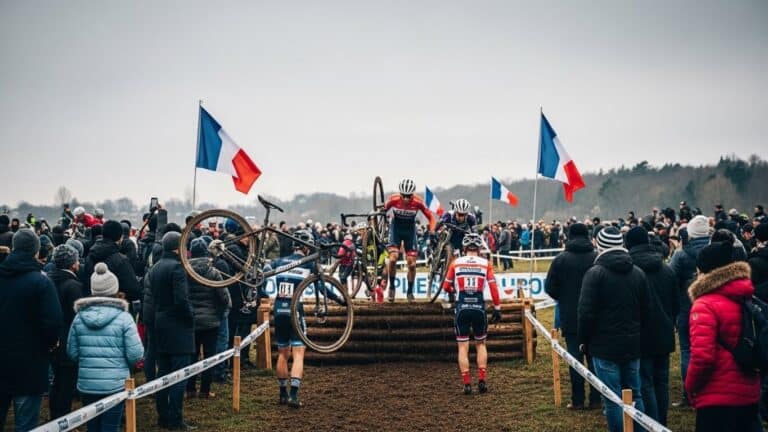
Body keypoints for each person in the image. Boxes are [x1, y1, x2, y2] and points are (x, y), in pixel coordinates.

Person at [578, 227, 649, 432]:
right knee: (635, 394)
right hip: (632, 344)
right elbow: (647, 310)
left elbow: (585, 313)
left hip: (604, 347)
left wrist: (584, 341)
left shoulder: (594, 274)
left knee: (612, 399)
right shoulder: (638, 273)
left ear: (599, 245)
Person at [686, 241, 762, 431]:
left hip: (716, 397)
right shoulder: (747, 298)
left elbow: (703, 358)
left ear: (705, 271)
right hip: (748, 390)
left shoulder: (704, 304)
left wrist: (691, 387)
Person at [268, 230, 344, 408]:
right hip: (295, 311)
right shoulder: (309, 264)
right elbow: (322, 288)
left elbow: (263, 273)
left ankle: (282, 394)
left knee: (282, 354)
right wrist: (341, 300)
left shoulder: (279, 261)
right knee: (298, 354)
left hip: (278, 310)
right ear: (305, 247)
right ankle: (294, 395)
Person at [67, 263, 144, 432]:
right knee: (111, 426)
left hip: (87, 382)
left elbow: (72, 352)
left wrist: (87, 361)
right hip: (115, 383)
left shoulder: (79, 318)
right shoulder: (124, 318)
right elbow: (136, 353)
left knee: (92, 426)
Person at [0, 229, 63, 431]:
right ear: (36, 252)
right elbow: (53, 322)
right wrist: (51, 344)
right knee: (26, 424)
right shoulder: (41, 282)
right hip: (31, 362)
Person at [544, 223, 601, 410]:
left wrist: (564, 297)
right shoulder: (597, 258)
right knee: (594, 358)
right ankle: (596, 398)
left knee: (575, 359)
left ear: (569, 236)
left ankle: (577, 400)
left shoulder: (560, 259)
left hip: (570, 316)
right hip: (595, 316)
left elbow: (549, 287)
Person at [626, 226, 678, 425]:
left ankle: (652, 423)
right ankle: (661, 423)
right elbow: (675, 304)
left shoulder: (630, 271)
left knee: (645, 382)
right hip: (664, 333)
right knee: (661, 381)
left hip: (641, 334)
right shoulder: (667, 269)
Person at [441, 233, 501, 395]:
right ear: (479, 248)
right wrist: (497, 307)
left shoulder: (456, 263)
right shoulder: (485, 263)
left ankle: (467, 384)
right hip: (479, 308)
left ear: (464, 248)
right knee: (481, 344)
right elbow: (494, 288)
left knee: (463, 347)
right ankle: (482, 380)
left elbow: (446, 286)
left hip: (462, 308)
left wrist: (454, 291)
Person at [148, 232, 196, 430]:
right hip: (177, 326)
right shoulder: (177, 267)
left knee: (164, 374)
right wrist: (190, 316)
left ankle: (163, 417)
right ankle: (176, 419)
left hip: (160, 322)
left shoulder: (155, 267)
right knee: (179, 376)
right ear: (179, 248)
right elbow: (181, 300)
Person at [669, 214, 711, 407]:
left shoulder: (681, 254)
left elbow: (670, 279)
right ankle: (709, 390)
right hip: (714, 308)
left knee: (688, 350)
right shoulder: (717, 250)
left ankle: (689, 394)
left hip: (687, 307)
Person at [186, 238, 230, 399]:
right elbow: (224, 297)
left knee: (192, 355)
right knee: (209, 356)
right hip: (211, 322)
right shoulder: (213, 272)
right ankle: (205, 390)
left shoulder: (185, 271)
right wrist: (221, 313)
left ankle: (190, 389)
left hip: (191, 321)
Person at [383, 178, 436, 302]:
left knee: (412, 264)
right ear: (400, 193)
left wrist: (432, 231)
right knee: (393, 258)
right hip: (395, 230)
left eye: (409, 196)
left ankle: (410, 292)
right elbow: (381, 212)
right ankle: (391, 288)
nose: (406, 199)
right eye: (404, 196)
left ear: (413, 194)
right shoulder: (393, 199)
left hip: (410, 232)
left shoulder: (418, 202)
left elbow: (431, 218)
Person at [48, 245, 84, 419]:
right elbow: (79, 316)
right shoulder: (73, 286)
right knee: (66, 383)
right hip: (68, 340)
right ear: (72, 264)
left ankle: (55, 415)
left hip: (52, 338)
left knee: (57, 381)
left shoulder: (49, 280)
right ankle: (63, 419)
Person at [83, 220, 141, 301]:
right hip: (115, 306)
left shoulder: (89, 257)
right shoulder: (121, 260)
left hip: (93, 304)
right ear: (120, 237)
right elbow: (134, 291)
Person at [436, 198, 477, 267]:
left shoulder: (471, 218)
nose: (461, 217)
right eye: (460, 214)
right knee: (442, 236)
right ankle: (438, 256)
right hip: (450, 235)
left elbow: (475, 233)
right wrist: (434, 232)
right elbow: (439, 223)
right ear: (455, 212)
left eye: (464, 215)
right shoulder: (449, 215)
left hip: (462, 236)